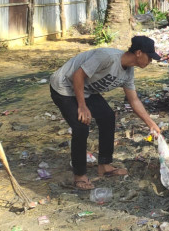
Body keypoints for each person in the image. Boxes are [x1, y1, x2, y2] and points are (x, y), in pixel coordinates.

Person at [49, 36, 162, 190]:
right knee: (81, 127)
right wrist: (82, 106)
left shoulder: (128, 73)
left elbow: (134, 100)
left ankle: (104, 164)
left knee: (108, 117)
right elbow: (78, 75)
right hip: (64, 86)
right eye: (149, 57)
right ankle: (79, 175)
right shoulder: (107, 57)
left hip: (87, 90)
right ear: (139, 53)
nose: (150, 61)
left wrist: (151, 124)